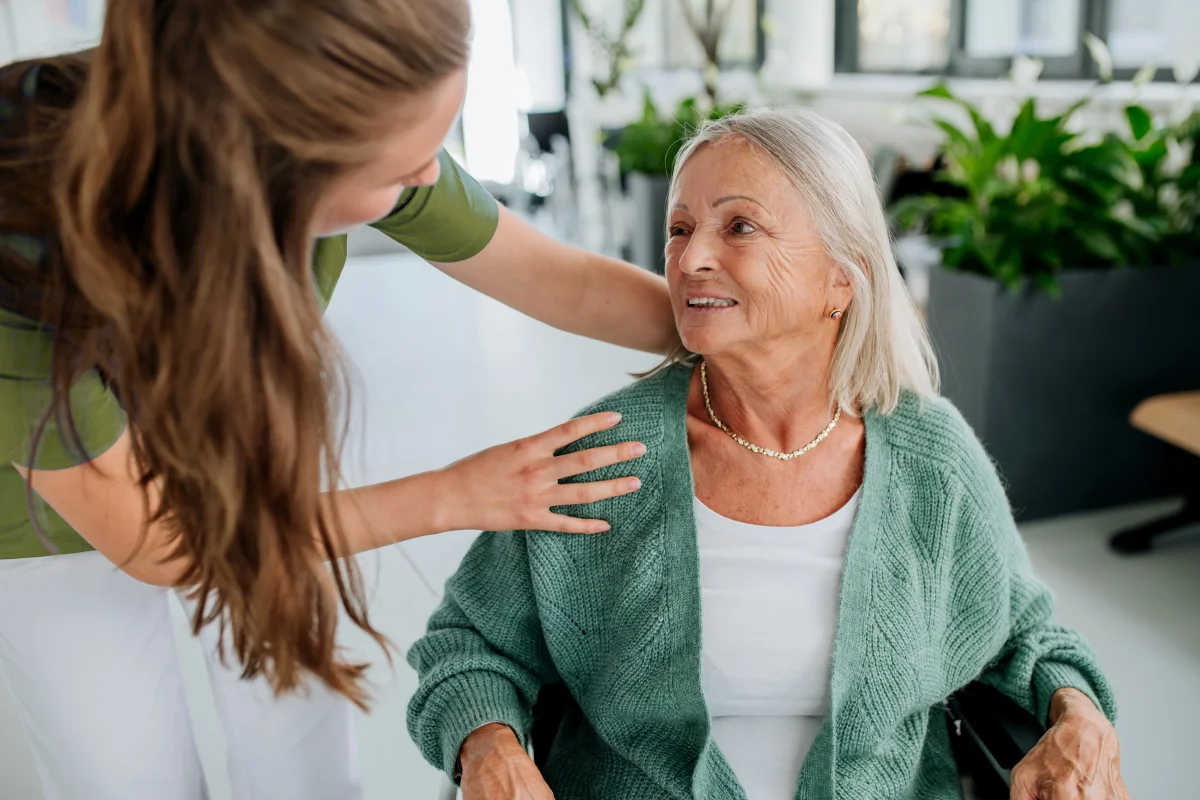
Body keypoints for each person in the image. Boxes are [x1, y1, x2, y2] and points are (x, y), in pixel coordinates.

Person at [0, 1, 670, 798]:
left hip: (235, 430)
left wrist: (753, 331)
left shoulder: (365, 124)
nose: (430, 176)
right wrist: (459, 493)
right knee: (126, 776)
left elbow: (564, 281)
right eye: (402, 167)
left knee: (301, 747)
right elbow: (167, 544)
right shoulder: (19, 225)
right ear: (271, 162)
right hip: (44, 500)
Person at [407, 108, 1131, 800]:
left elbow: (1025, 635)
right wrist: (488, 744)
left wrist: (1078, 713)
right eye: (679, 228)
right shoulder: (604, 455)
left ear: (840, 280)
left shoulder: (929, 459)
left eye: (740, 226)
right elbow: (469, 645)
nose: (690, 259)